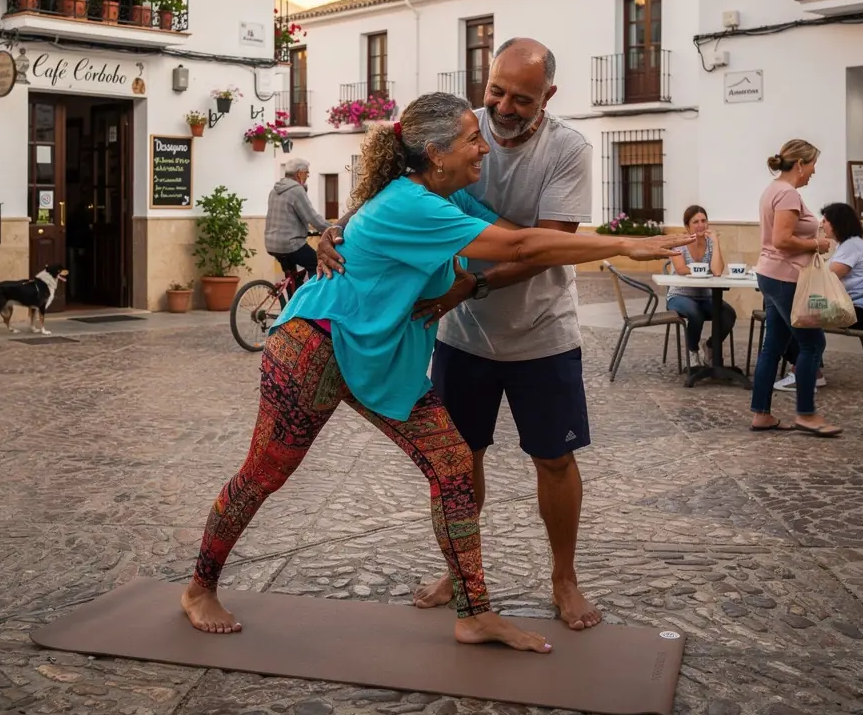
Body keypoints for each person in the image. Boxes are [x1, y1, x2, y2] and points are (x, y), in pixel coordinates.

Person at [182, 91, 693, 651]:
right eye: (473, 139)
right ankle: (200, 586)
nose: (485, 149)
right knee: (266, 472)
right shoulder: (414, 206)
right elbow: (520, 241)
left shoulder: (448, 200)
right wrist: (626, 244)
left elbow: (530, 246)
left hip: (375, 353)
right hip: (315, 348)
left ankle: (474, 613)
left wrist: (615, 241)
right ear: (435, 151)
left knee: (451, 464)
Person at [321, 38, 603, 632]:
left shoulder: (568, 149)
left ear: (548, 97)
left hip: (541, 331)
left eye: (521, 99)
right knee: (460, 458)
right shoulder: (455, 127)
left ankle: (564, 577)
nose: (500, 107)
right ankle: (460, 570)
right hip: (462, 337)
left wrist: (468, 289)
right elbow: (393, 190)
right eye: (495, 90)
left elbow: (542, 245)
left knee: (554, 459)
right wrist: (336, 227)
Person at [750, 139, 840, 437]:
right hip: (786, 277)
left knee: (773, 345)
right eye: (813, 164)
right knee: (813, 344)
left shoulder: (773, 190)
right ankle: (806, 414)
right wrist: (818, 244)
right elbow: (782, 240)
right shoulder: (787, 194)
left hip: (771, 275)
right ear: (800, 164)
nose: (814, 171)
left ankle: (762, 414)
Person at [773, 201, 863, 391]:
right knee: (791, 308)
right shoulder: (849, 244)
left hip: (852, 311)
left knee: (794, 312)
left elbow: (828, 276)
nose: (821, 224)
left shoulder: (852, 246)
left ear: (838, 223)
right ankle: (813, 371)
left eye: (826, 220)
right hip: (845, 304)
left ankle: (803, 372)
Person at [667, 204, 737, 369]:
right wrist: (704, 270)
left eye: (704, 221)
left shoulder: (710, 244)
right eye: (696, 222)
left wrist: (716, 242)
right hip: (680, 295)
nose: (701, 225)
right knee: (694, 313)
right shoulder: (679, 243)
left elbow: (718, 271)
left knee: (728, 314)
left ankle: (711, 346)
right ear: (687, 226)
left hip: (705, 296)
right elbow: (681, 269)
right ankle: (693, 352)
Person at [263, 158, 329, 279]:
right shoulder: (296, 190)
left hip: (271, 244)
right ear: (300, 173)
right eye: (307, 173)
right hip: (290, 244)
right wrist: (332, 228)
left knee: (293, 276)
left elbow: (287, 217)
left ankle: (292, 296)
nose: (307, 176)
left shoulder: (274, 190)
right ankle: (314, 296)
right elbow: (313, 218)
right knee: (316, 263)